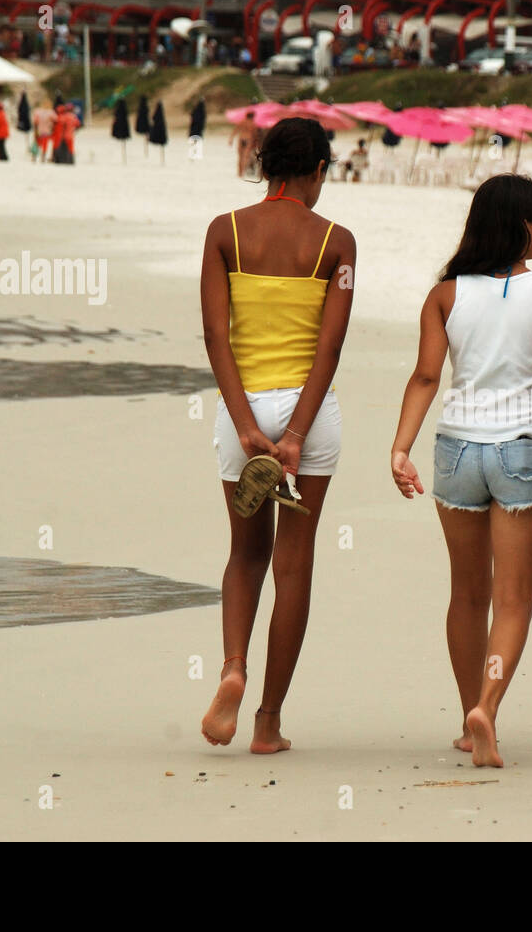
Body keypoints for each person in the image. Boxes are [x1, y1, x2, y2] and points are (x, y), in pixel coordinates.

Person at [391, 175, 532, 768]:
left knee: (466, 594)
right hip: (523, 452)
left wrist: (401, 448)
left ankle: (466, 719)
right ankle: (488, 706)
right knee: (512, 600)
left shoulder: (445, 294)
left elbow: (427, 377)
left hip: (456, 451)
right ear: (520, 225)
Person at [199, 118, 356, 753]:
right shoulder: (336, 242)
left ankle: (232, 666)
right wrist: (294, 434)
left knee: (245, 554)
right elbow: (331, 344)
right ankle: (268, 723)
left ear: (267, 167)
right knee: (294, 564)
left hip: (241, 413)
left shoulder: (224, 232)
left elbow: (216, 336)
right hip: (308, 417)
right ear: (315, 169)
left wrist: (246, 425)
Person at [231, 110, 258, 179]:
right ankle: (243, 172)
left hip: (241, 139)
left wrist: (231, 139)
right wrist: (255, 143)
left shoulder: (242, 122)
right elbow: (255, 135)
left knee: (240, 157)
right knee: (245, 157)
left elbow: (235, 130)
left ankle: (239, 173)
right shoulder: (253, 124)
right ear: (252, 116)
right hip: (248, 140)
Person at [32, 99, 56, 163]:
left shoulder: (37, 111)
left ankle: (34, 157)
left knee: (37, 144)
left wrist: (35, 131)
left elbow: (35, 122)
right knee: (44, 145)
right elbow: (55, 120)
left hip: (39, 131)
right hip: (47, 131)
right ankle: (42, 157)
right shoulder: (51, 112)